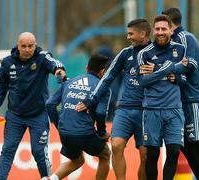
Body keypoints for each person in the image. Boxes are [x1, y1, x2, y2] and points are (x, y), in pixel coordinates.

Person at [76, 19, 152, 180]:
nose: (128, 37)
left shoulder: (156, 53)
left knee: (146, 156)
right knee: (117, 145)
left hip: (147, 110)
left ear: (143, 34)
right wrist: (91, 100)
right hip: (124, 109)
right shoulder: (125, 53)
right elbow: (107, 78)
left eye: (131, 33)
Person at [0, 32, 66, 180]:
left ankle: (46, 178)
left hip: (39, 115)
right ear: (18, 46)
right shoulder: (7, 62)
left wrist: (59, 70)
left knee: (38, 151)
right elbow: (0, 85)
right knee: (8, 150)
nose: (27, 49)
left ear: (35, 45)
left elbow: (54, 63)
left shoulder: (42, 58)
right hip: (15, 115)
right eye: (23, 46)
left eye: (30, 46)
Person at [162, 8, 199, 179]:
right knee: (185, 145)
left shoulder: (186, 38)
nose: (160, 30)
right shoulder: (171, 42)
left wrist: (170, 70)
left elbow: (189, 65)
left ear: (170, 24)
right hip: (178, 103)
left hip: (192, 100)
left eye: (163, 25)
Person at [46, 54, 111, 180]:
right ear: (103, 72)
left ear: (87, 67)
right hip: (84, 133)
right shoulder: (102, 87)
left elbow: (49, 104)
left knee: (77, 160)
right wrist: (102, 132)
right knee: (105, 155)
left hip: (65, 133)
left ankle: (51, 178)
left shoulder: (69, 82)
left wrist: (61, 125)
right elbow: (101, 113)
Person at [136, 15, 187, 180]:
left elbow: (184, 76)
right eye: (157, 29)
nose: (160, 32)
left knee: (173, 151)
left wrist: (169, 74)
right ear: (153, 31)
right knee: (152, 154)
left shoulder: (180, 49)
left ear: (171, 30)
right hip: (152, 109)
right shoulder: (144, 53)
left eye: (164, 29)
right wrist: (168, 70)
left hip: (174, 109)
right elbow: (143, 81)